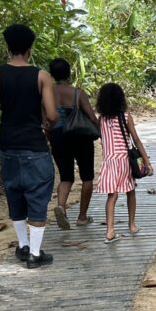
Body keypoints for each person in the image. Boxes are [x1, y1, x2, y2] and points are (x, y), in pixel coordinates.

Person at [0, 23, 58, 269]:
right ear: (30, 49)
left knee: (15, 194)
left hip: (8, 146)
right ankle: (34, 253)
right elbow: (53, 116)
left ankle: (23, 246)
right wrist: (45, 122)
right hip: (35, 146)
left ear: (8, 47)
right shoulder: (42, 76)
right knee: (38, 195)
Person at [95, 83, 153, 243]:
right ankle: (132, 224)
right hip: (124, 161)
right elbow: (136, 140)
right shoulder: (126, 116)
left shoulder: (101, 120)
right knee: (130, 191)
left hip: (109, 161)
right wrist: (147, 162)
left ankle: (110, 230)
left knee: (112, 196)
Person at [47, 57, 99, 231]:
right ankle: (82, 217)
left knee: (66, 176)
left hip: (57, 136)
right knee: (87, 177)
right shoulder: (77, 93)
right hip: (80, 136)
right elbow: (91, 116)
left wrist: (50, 137)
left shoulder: (47, 95)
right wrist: (99, 130)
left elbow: (45, 121)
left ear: (52, 74)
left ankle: (61, 206)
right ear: (69, 73)